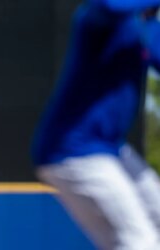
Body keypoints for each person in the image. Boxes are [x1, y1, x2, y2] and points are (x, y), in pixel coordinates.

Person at [31, 1, 160, 249]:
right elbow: (110, 6)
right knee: (139, 241)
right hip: (72, 149)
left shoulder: (141, 29)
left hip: (109, 149)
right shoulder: (97, 18)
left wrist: (152, 16)